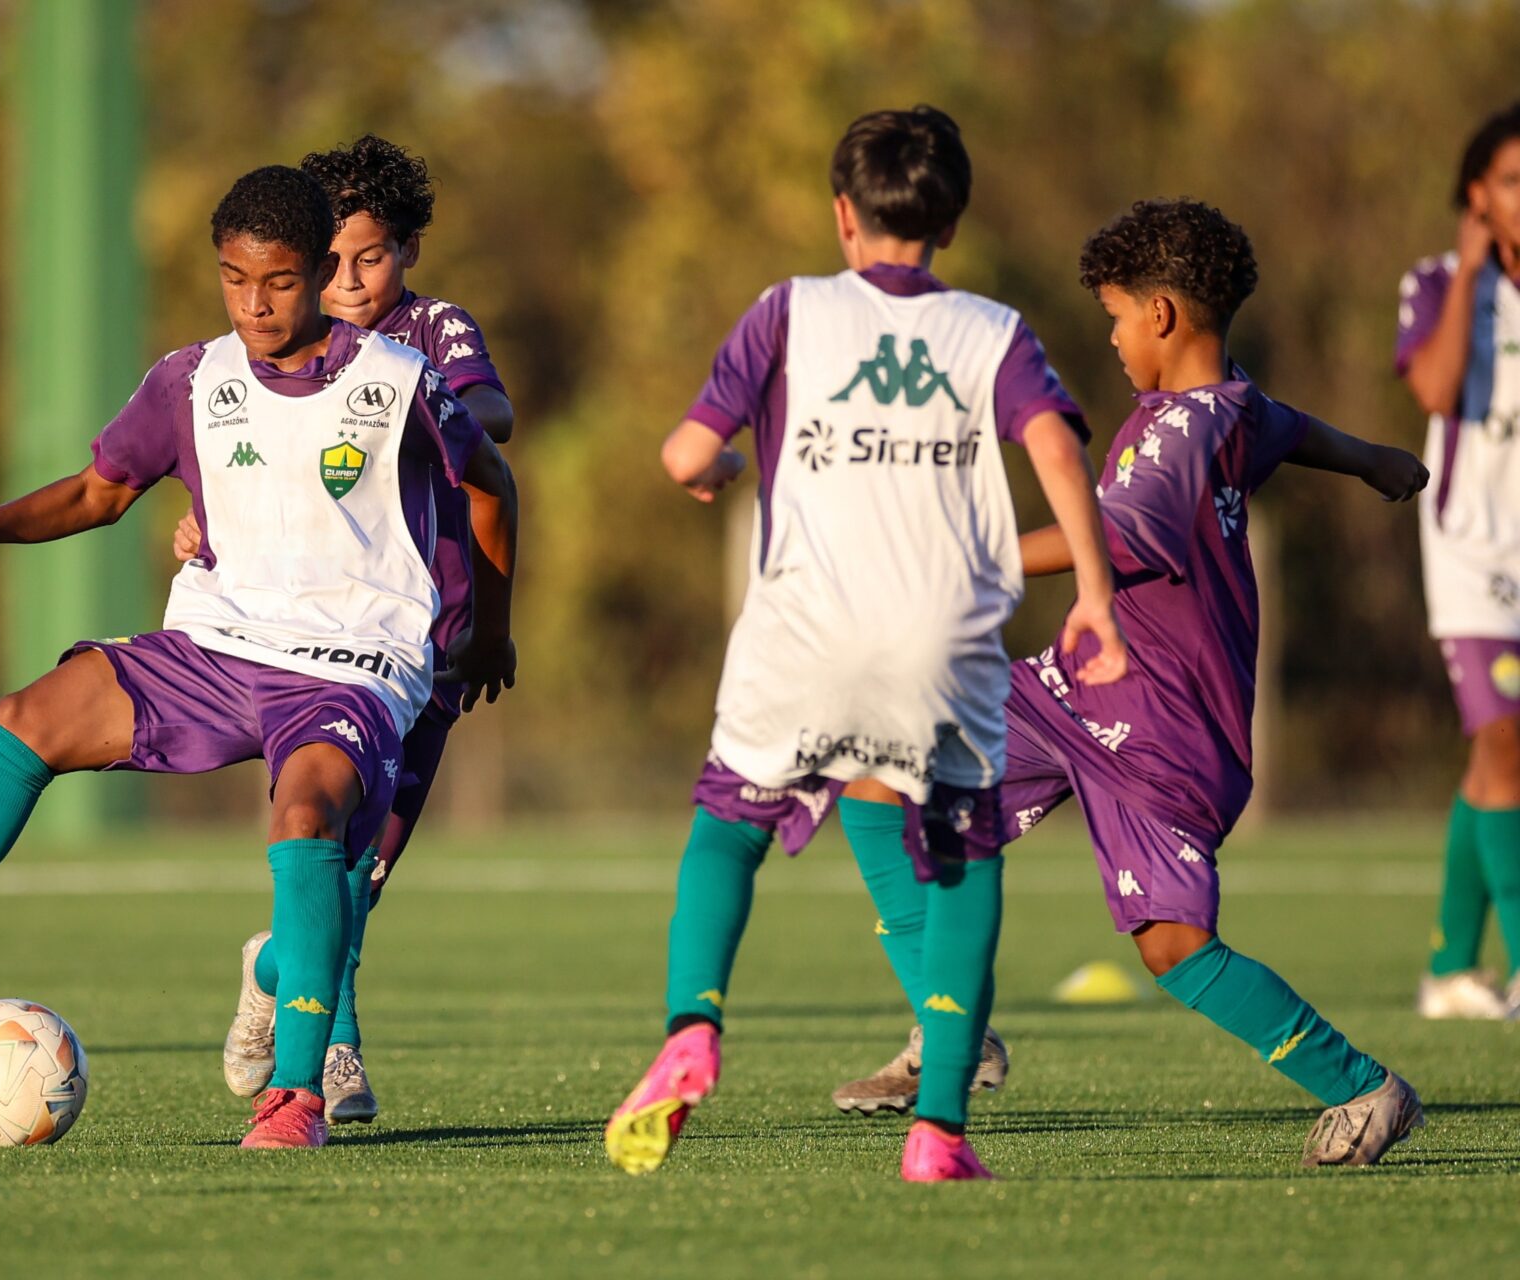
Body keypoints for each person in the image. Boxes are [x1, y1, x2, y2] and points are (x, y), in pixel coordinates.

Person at [0, 165, 519, 1152]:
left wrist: (488, 629)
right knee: (27, 716)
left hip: (350, 660)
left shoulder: (396, 380)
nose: (255, 303)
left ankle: (293, 1096)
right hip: (216, 639)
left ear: (318, 271)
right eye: (235, 280)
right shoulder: (192, 380)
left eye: (278, 282)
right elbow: (99, 490)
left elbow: (491, 482)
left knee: (307, 813)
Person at [835, 198, 1429, 1168]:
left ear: (1159, 314)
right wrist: (1375, 460)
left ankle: (1364, 1086)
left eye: (1114, 316)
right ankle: (951, 1032)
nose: (1109, 337)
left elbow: (1105, 537)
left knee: (1173, 945)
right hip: (1078, 688)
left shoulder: (1179, 436)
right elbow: (1293, 426)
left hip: (1162, 728)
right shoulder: (1229, 406)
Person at [601, 106, 1128, 1183]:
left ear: (844, 215)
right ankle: (937, 1127)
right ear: (950, 217)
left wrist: (726, 469)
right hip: (939, 639)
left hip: (804, 627)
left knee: (728, 826)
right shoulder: (994, 330)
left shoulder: (788, 311)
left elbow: (685, 453)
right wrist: (1095, 593)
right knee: (965, 859)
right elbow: (1062, 455)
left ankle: (692, 1025)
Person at [173, 137, 517, 1124]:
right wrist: (201, 517)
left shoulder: (427, 337)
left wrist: (447, 413)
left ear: (406, 250)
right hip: (310, 647)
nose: (348, 280)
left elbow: (488, 411)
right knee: (329, 852)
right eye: (334, 259)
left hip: (430, 644)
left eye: (371, 257)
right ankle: (332, 1052)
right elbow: (228, 462)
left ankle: (272, 969)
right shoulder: (281, 352)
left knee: (362, 872)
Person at [1397, 101, 1520, 1019]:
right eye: (1514, 183)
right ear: (1477, 195)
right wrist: (1475, 273)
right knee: (1507, 747)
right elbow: (1436, 390)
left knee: (1495, 761)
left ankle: (1447, 969)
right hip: (1473, 552)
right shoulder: (1439, 281)